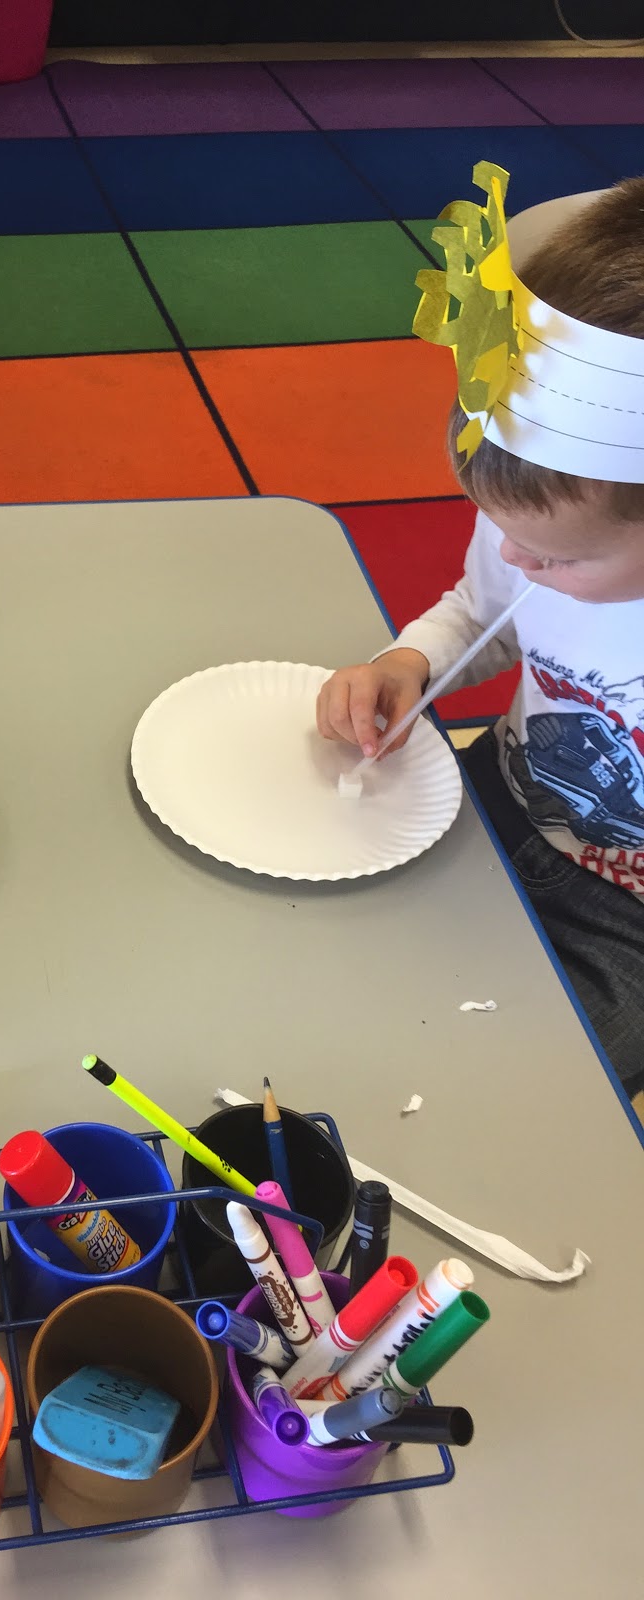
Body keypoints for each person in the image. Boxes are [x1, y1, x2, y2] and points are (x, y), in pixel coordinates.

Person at [318, 170, 644, 1106]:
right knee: (334, 943)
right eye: (500, 527)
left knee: (513, 1088)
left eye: (556, 557)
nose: (513, 556)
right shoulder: (542, 523)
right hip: (497, 799)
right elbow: (482, 606)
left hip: (627, 924)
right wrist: (409, 660)